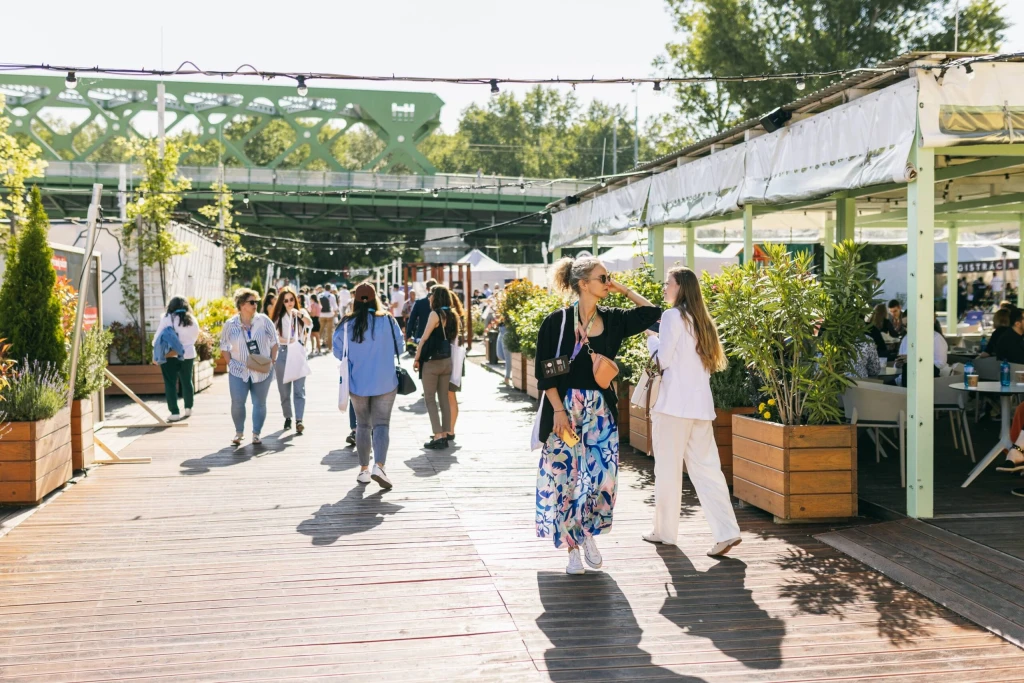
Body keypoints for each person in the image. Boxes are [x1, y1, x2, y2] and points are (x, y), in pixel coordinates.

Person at [534, 256, 660, 575]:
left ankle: (588, 533)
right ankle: (572, 548)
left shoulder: (614, 319)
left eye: (608, 277)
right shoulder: (557, 322)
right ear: (582, 284)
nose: (607, 282)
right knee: (566, 477)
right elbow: (545, 372)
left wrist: (621, 288)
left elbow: (652, 314)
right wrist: (559, 411)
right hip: (565, 409)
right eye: (602, 278)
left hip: (601, 411)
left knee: (602, 478)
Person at [641, 267, 742, 556]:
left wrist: (650, 339)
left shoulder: (673, 317)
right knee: (708, 471)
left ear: (680, 287)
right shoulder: (703, 320)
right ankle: (727, 532)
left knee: (667, 469)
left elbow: (664, 360)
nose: (664, 288)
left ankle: (665, 531)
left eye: (667, 283)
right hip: (700, 408)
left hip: (673, 406)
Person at [333, 283, 402, 489]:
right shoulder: (388, 320)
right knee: (381, 424)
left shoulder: (346, 324)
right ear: (375, 299)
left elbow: (338, 352)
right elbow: (400, 347)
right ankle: (379, 466)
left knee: (363, 425)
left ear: (355, 300)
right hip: (385, 381)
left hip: (357, 382)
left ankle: (363, 470)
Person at [220, 288, 279, 446]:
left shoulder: (264, 321)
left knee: (259, 403)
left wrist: (272, 361)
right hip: (238, 369)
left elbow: (274, 342)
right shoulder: (230, 324)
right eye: (252, 302)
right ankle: (239, 432)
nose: (255, 305)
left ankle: (256, 434)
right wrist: (230, 363)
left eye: (256, 302)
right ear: (241, 304)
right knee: (237, 402)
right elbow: (224, 346)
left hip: (262, 369)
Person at [414, 285, 460, 450]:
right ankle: (446, 433)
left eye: (431, 295)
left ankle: (438, 435)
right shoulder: (453, 314)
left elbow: (424, 338)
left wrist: (417, 358)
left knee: (430, 399)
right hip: (447, 361)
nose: (429, 298)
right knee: (443, 399)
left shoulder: (435, 314)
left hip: (432, 362)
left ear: (436, 297)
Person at [270, 286, 313, 433]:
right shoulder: (278, 317)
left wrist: (299, 315)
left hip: (299, 352)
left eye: (291, 299)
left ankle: (299, 420)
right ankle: (288, 416)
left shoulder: (300, 313)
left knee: (299, 390)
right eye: (286, 300)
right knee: (284, 391)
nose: (289, 303)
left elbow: (309, 323)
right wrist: (285, 340)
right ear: (282, 302)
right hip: (283, 353)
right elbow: (274, 336)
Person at [152, 296, 200, 422]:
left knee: (170, 383)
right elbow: (195, 336)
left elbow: (158, 338)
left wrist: (155, 351)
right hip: (188, 354)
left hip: (170, 355)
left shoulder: (167, 318)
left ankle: (174, 412)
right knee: (187, 381)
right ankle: (188, 407)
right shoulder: (192, 320)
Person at [445, 288, 468, 442]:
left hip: (451, 359)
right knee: (450, 396)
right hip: (457, 360)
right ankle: (449, 429)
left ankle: (450, 430)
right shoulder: (458, 317)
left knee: (449, 396)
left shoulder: (451, 318)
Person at [897, 316, 948, 386]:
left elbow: (940, 364)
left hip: (928, 378)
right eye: (904, 326)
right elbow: (900, 359)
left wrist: (914, 360)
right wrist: (898, 364)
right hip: (904, 378)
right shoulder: (906, 338)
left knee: (909, 365)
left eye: (908, 324)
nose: (906, 328)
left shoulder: (936, 338)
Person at [406, 278, 436, 345]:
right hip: (436, 337)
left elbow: (412, 319)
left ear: (426, 288)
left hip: (421, 335)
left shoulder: (419, 303)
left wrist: (409, 335)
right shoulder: (441, 303)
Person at [318, 285, 338, 353]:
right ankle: (329, 347)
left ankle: (317, 346)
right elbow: (335, 307)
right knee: (329, 332)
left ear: (324, 288)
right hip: (329, 315)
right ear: (330, 289)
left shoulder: (320, 295)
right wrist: (335, 314)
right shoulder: (332, 296)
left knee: (320, 331)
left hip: (321, 315)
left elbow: (318, 306)